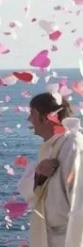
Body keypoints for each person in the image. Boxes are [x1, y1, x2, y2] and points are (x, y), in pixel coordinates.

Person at [18, 90, 83, 247]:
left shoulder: (73, 146)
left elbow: (79, 203)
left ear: (48, 117)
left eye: (32, 113)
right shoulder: (51, 146)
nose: (29, 119)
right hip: (49, 237)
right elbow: (26, 191)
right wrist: (39, 175)